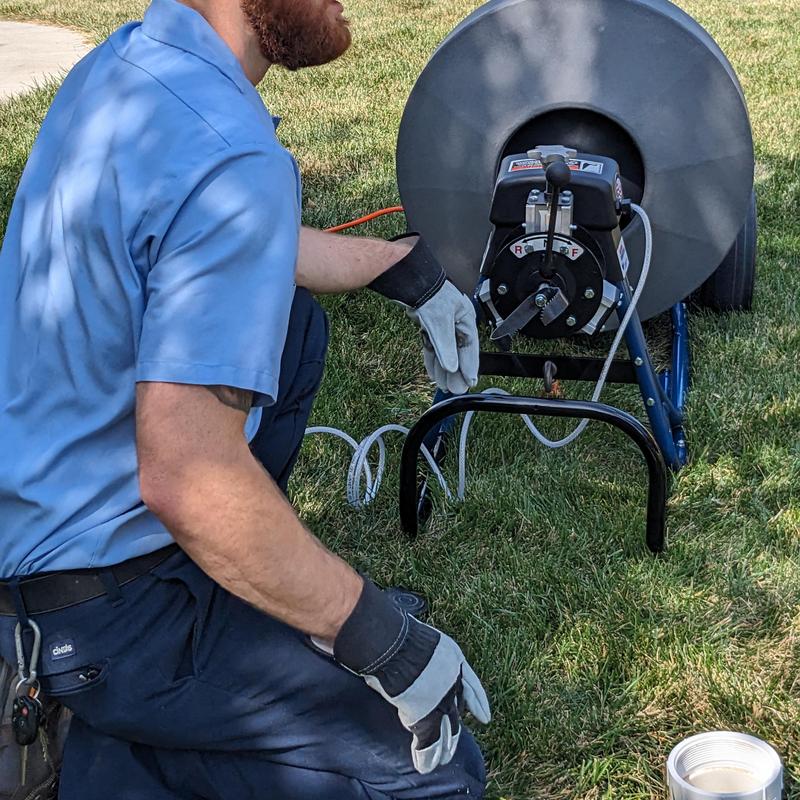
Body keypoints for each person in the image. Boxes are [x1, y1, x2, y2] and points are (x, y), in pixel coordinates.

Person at [0, 0, 491, 796]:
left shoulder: (126, 72)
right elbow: (188, 478)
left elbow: (225, 242)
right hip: (106, 609)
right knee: (430, 773)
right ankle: (96, 740)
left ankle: (192, 642)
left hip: (37, 542)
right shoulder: (232, 154)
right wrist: (378, 638)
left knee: (291, 326)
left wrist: (398, 266)